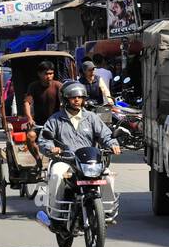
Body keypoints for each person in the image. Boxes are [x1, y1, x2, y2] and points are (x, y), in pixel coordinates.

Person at [37, 82, 121, 217]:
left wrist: (112, 144)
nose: (77, 100)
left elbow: (105, 135)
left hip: (89, 162)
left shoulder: (92, 118)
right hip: (66, 161)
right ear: (65, 99)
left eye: (80, 97)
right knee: (57, 175)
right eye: (73, 97)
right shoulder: (55, 119)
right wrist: (51, 148)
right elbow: (44, 140)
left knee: (108, 176)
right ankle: (56, 213)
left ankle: (106, 212)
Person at [23, 61, 62, 162]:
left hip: (56, 124)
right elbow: (27, 103)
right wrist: (30, 118)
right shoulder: (33, 86)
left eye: (51, 73)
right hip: (39, 124)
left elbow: (65, 103)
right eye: (46, 73)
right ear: (39, 74)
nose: (49, 76)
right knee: (30, 136)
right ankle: (38, 160)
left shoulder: (58, 86)